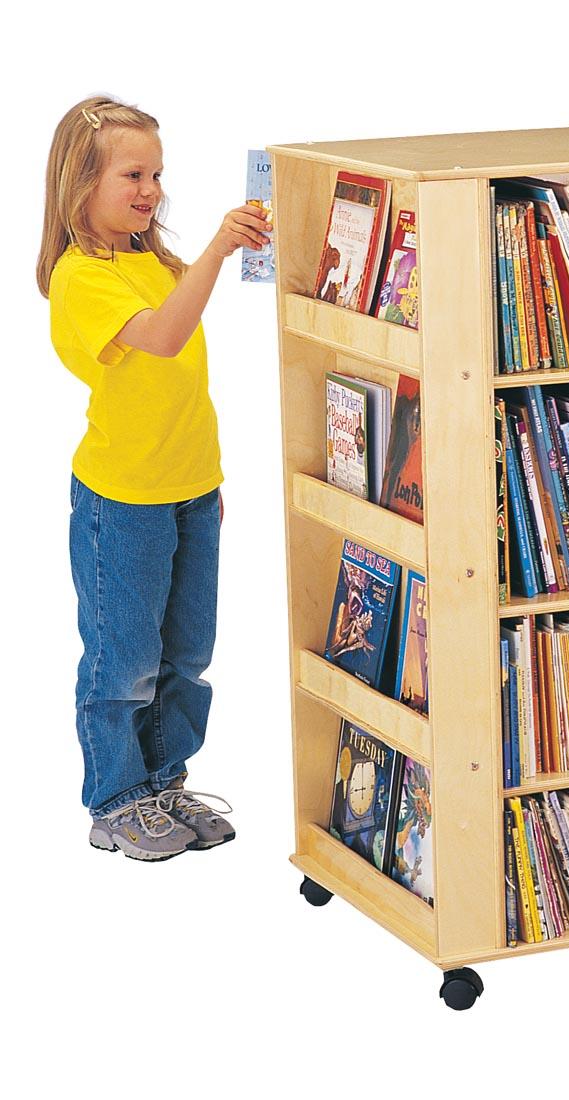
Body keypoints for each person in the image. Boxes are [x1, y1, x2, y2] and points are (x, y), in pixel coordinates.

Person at [37, 96, 271, 860]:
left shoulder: (148, 258)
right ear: (81, 184)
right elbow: (167, 339)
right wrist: (216, 250)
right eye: (133, 174)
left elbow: (182, 389)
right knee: (123, 661)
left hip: (190, 489)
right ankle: (116, 798)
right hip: (123, 500)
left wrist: (209, 482)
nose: (150, 189)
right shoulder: (82, 278)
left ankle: (165, 781)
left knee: (187, 655)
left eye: (157, 174)